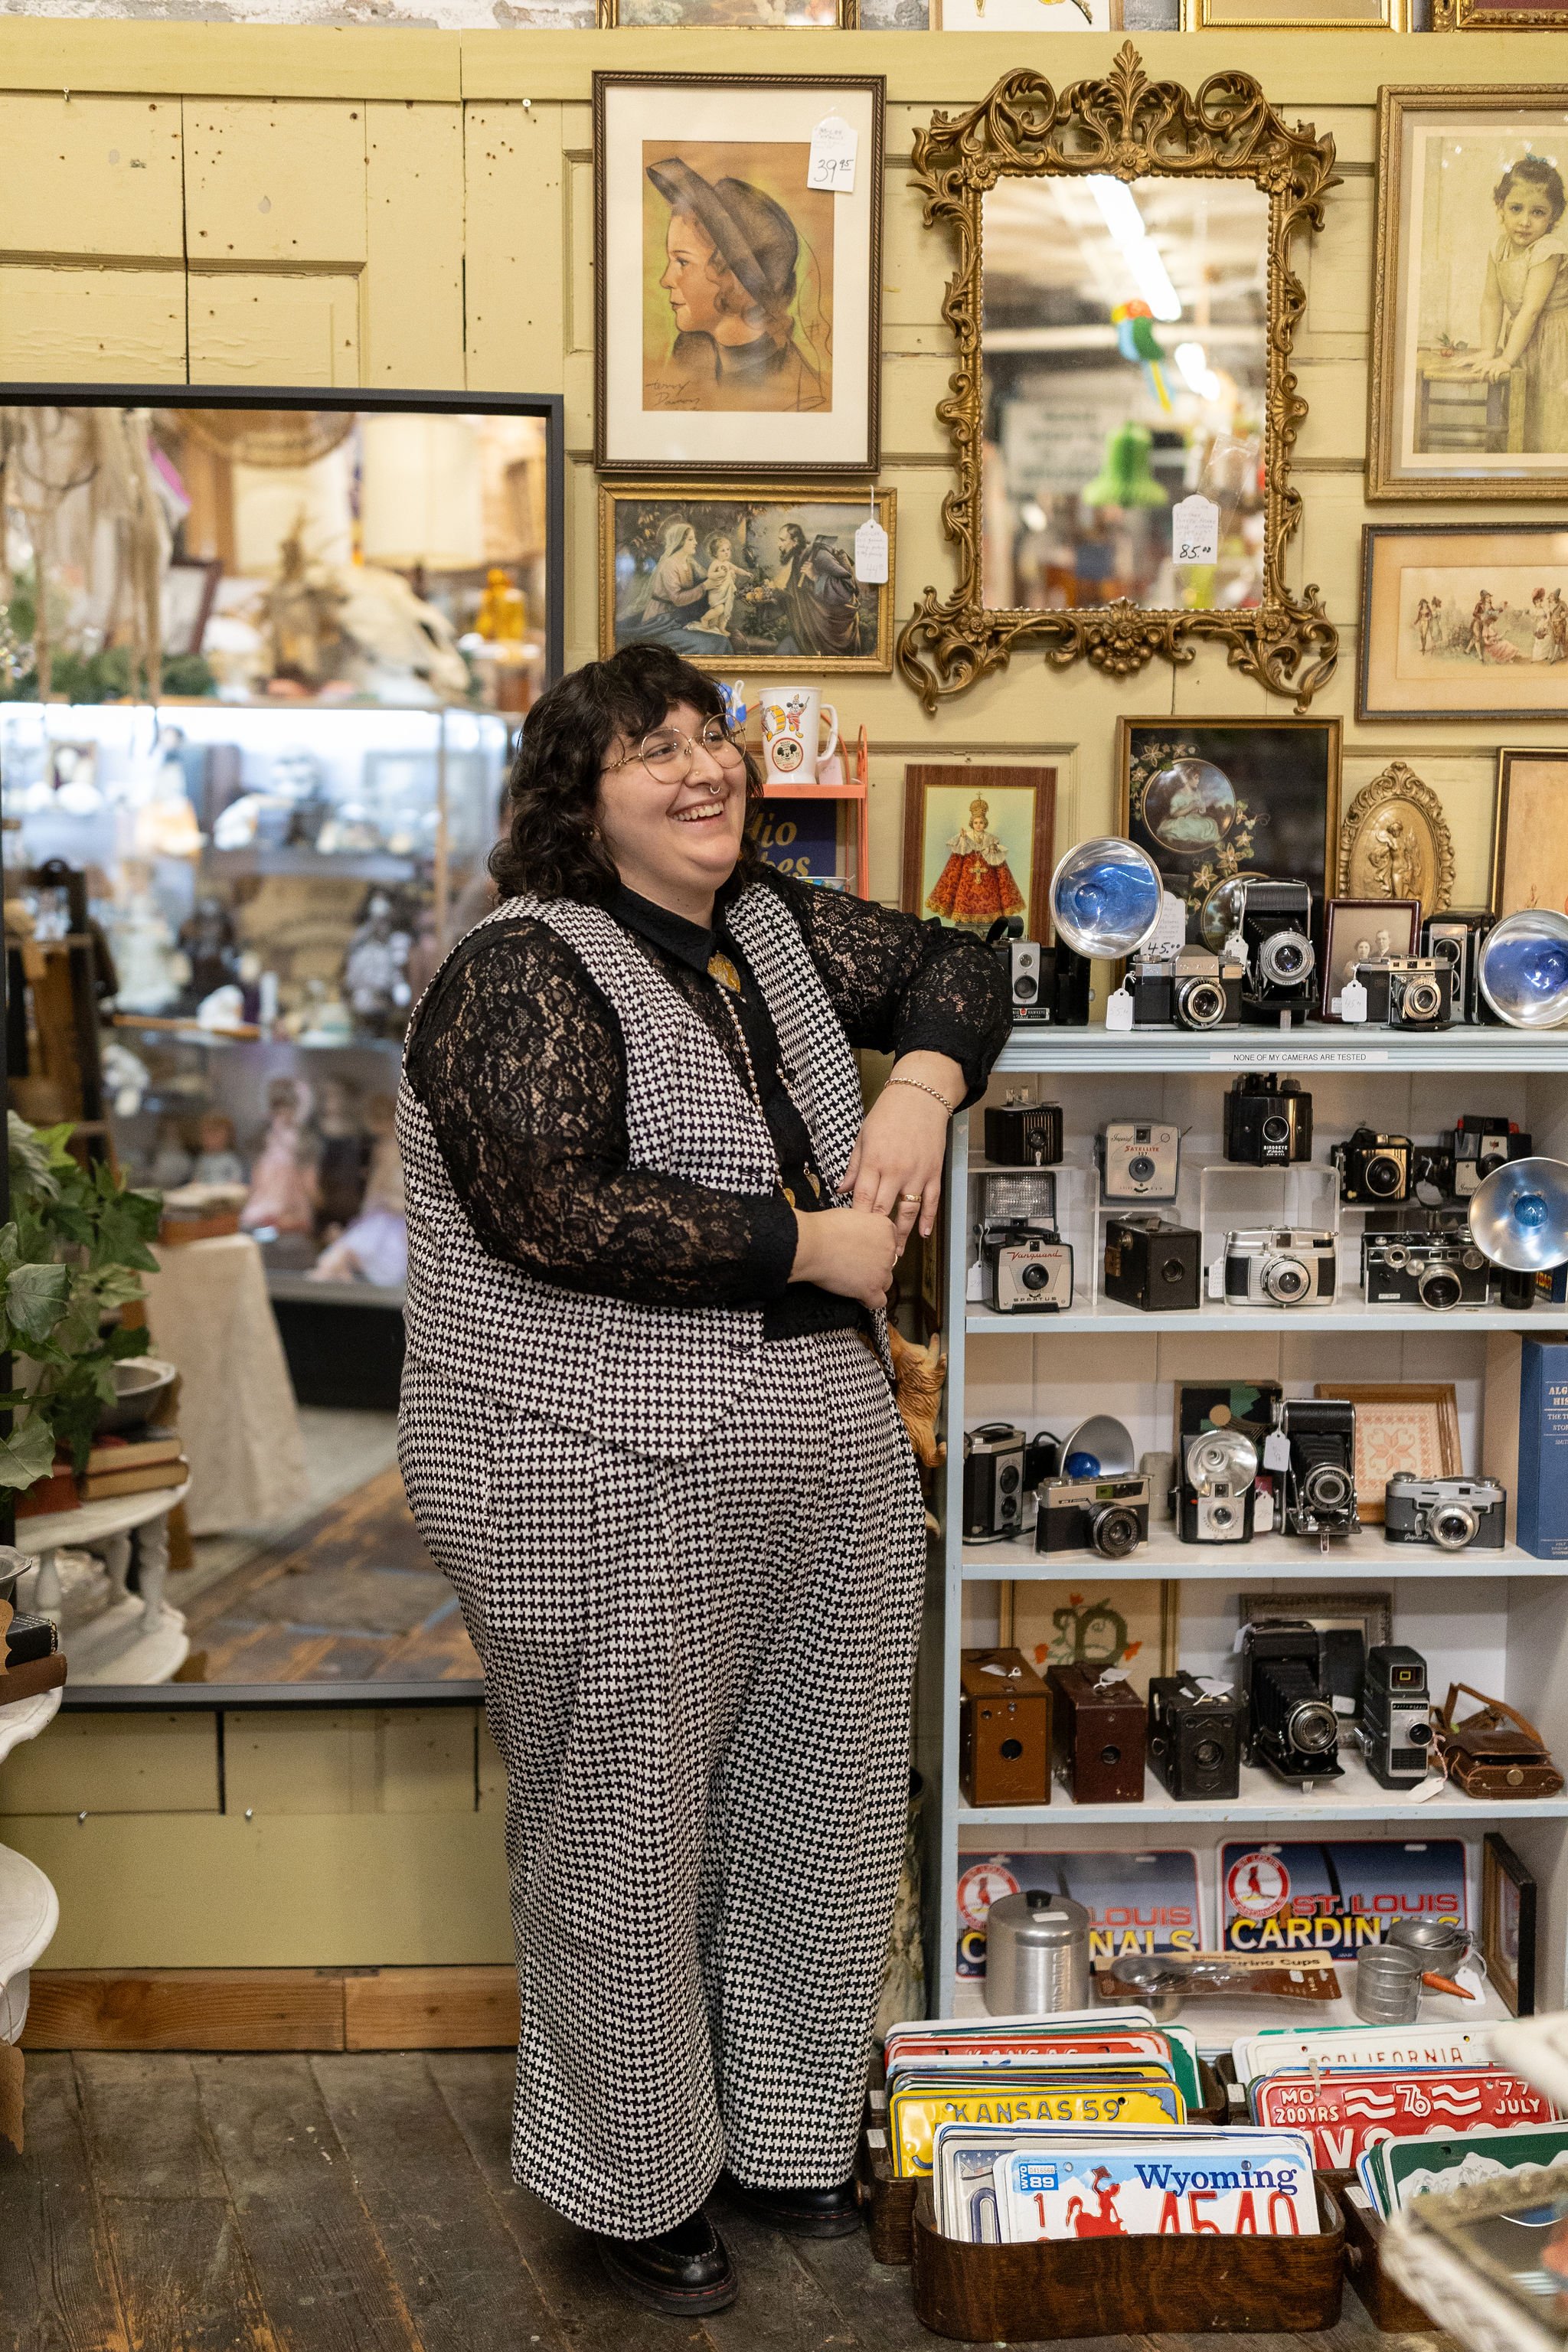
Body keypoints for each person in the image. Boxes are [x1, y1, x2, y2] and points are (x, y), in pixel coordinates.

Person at [397, 643, 1008, 2316]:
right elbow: (550, 1206)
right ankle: (636, 2179)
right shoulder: (519, 966)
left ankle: (788, 2133)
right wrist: (805, 1242)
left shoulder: (771, 927)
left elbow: (963, 961)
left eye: (711, 737)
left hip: (818, 1435)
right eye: (651, 750)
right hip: (588, 1454)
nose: (701, 768)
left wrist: (919, 1086)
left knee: (817, 1798)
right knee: (624, 1823)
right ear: (578, 802)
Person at [647, 155, 827, 414]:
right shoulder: (688, 352)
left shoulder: (800, 395)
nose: (665, 280)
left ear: (735, 278)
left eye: (682, 262)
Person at [1463, 155, 1568, 454]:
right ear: (1501, 207)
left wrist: (1506, 359)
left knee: (1551, 417)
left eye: (1538, 212)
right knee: (1523, 413)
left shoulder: (1548, 250)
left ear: (1553, 216)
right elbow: (1491, 302)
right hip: (1523, 339)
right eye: (1516, 208)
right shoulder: (1499, 247)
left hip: (1556, 343)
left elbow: (1532, 310)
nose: (1525, 221)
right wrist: (1489, 350)